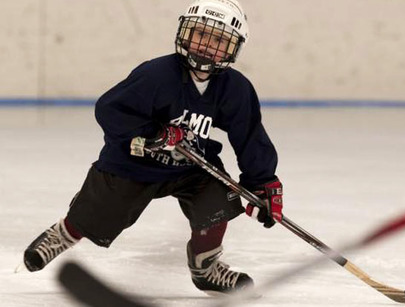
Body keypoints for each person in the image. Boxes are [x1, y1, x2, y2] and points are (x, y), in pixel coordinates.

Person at [22, 0, 283, 295]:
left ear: (235, 47)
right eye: (201, 33)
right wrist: (154, 133)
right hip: (136, 161)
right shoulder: (156, 74)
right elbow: (110, 110)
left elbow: (248, 134)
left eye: (219, 39)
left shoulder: (235, 88)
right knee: (101, 212)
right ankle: (64, 234)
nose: (208, 44)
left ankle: (206, 266)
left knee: (217, 201)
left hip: (191, 163)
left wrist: (262, 183)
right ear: (184, 33)